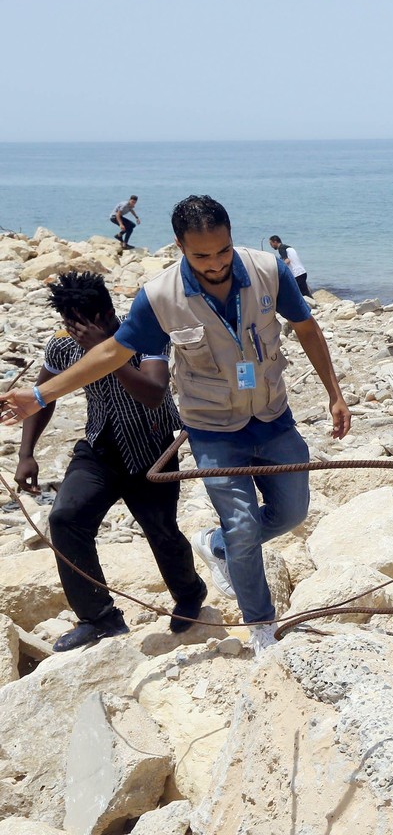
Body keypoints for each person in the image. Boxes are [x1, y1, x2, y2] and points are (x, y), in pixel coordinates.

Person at [2, 195, 351, 655]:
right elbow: (112, 353)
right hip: (211, 429)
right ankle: (262, 626)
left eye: (222, 251)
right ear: (179, 247)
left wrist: (335, 392)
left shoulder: (268, 270)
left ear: (232, 237)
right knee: (242, 526)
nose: (215, 263)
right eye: (201, 255)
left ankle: (217, 546)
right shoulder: (159, 297)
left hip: (271, 416)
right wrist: (41, 395)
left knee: (292, 513)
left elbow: (305, 327)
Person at [15, 272, 207, 651]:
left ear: (104, 314)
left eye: (80, 323)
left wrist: (105, 350)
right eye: (67, 322)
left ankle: (189, 594)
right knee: (65, 519)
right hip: (99, 448)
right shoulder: (62, 345)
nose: (73, 331)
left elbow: (153, 393)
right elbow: (43, 397)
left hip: (152, 449)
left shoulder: (146, 336)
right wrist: (26, 453)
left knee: (161, 530)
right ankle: (99, 617)